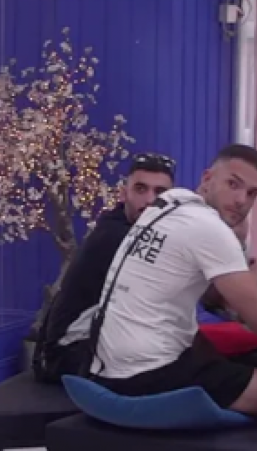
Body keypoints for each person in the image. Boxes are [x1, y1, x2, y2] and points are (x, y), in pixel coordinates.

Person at [88, 144, 257, 428]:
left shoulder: (169, 203)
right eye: (233, 184)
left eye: (252, 193)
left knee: (221, 358)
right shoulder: (210, 227)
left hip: (105, 365)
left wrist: (245, 276)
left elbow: (209, 293)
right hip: (146, 374)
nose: (241, 200)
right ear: (207, 178)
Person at [36, 152, 175, 382]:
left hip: (94, 345)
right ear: (124, 193)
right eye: (141, 189)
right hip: (71, 352)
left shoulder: (136, 229)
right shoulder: (117, 235)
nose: (150, 200)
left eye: (160, 192)